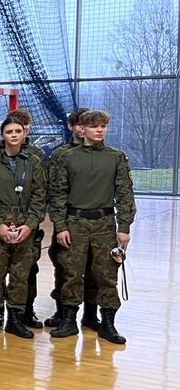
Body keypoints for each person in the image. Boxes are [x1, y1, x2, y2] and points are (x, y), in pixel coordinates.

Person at [48, 110, 136, 343]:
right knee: (71, 272)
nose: (99, 130)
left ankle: (107, 323)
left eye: (103, 126)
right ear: (82, 129)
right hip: (74, 222)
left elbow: (125, 194)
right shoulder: (67, 157)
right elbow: (58, 194)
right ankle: (68, 320)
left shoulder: (116, 157)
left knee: (106, 274)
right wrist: (60, 226)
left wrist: (124, 226)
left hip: (104, 223)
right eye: (94, 126)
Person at [0, 116, 47, 339]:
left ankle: (15, 318)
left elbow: (40, 196)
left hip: (26, 226)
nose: (14, 135)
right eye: (9, 132)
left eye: (18, 131)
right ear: (2, 135)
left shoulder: (34, 162)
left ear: (24, 134)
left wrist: (30, 225)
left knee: (20, 274)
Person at [45, 109, 100, 329]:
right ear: (71, 127)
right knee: (65, 268)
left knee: (95, 269)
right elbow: (54, 189)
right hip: (68, 219)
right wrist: (60, 223)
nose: (81, 128)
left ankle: (90, 315)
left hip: (95, 222)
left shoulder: (104, 153)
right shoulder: (60, 155)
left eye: (86, 124)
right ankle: (62, 314)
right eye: (78, 124)